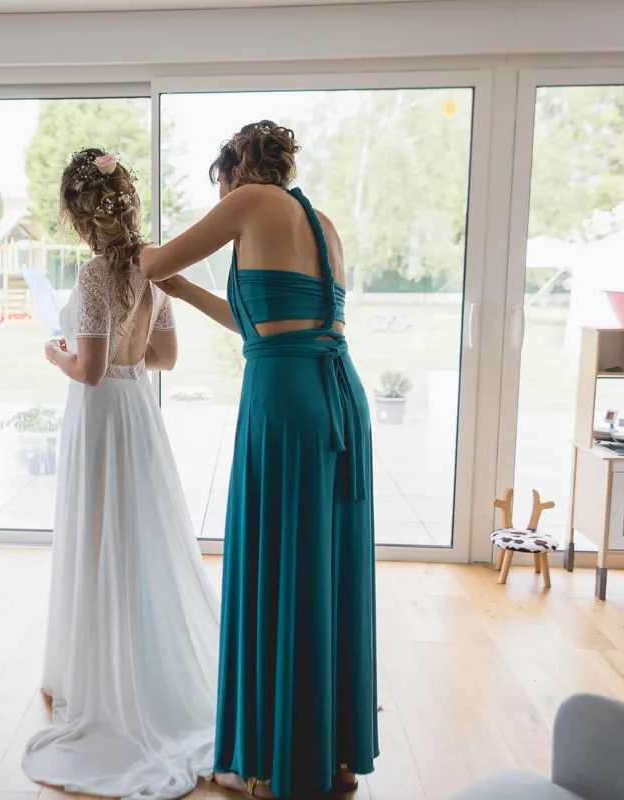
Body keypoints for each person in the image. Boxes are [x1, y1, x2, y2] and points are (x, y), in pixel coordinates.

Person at [141, 122, 379, 798]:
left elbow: (152, 265)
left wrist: (136, 249)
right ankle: (329, 756)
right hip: (339, 397)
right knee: (323, 570)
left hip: (287, 403)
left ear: (235, 173)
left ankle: (273, 765)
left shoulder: (248, 201)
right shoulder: (321, 221)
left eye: (220, 188)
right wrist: (188, 294)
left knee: (277, 564)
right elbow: (268, 322)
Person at [22, 148, 219, 800]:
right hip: (139, 414)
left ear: (82, 221)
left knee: (98, 535)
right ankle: (151, 662)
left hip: (101, 417)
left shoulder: (91, 277)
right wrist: (126, 344)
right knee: (142, 540)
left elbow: (90, 371)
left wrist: (57, 352)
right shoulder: (152, 268)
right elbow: (164, 356)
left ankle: (101, 676)